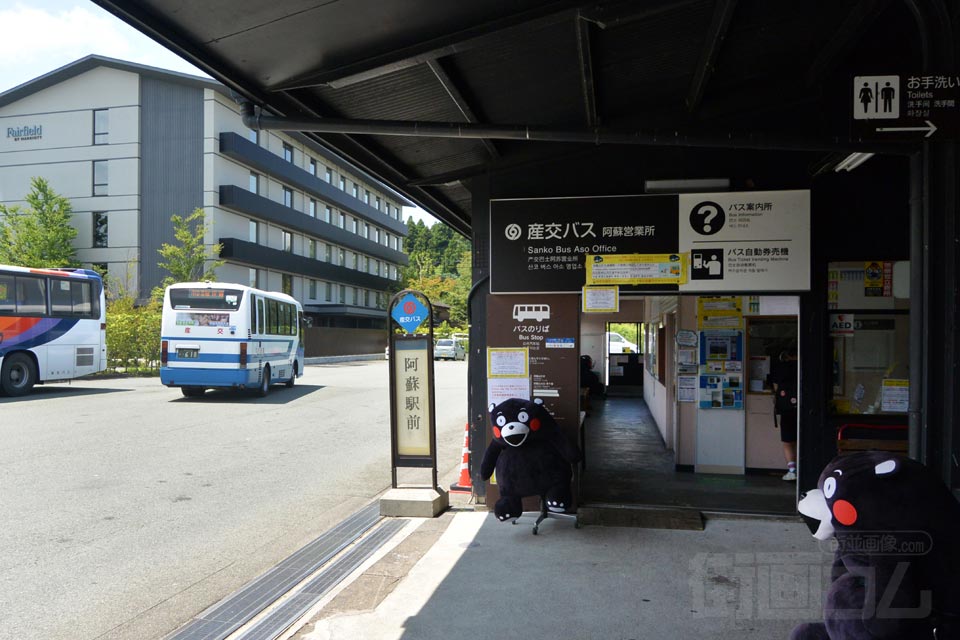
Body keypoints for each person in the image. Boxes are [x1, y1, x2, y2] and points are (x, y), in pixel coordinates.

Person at [770, 349, 798, 481]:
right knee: (803, 440)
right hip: (803, 409)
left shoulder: (779, 368)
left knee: (788, 442)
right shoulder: (806, 365)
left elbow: (776, 388)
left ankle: (792, 470)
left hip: (786, 409)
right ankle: (806, 467)